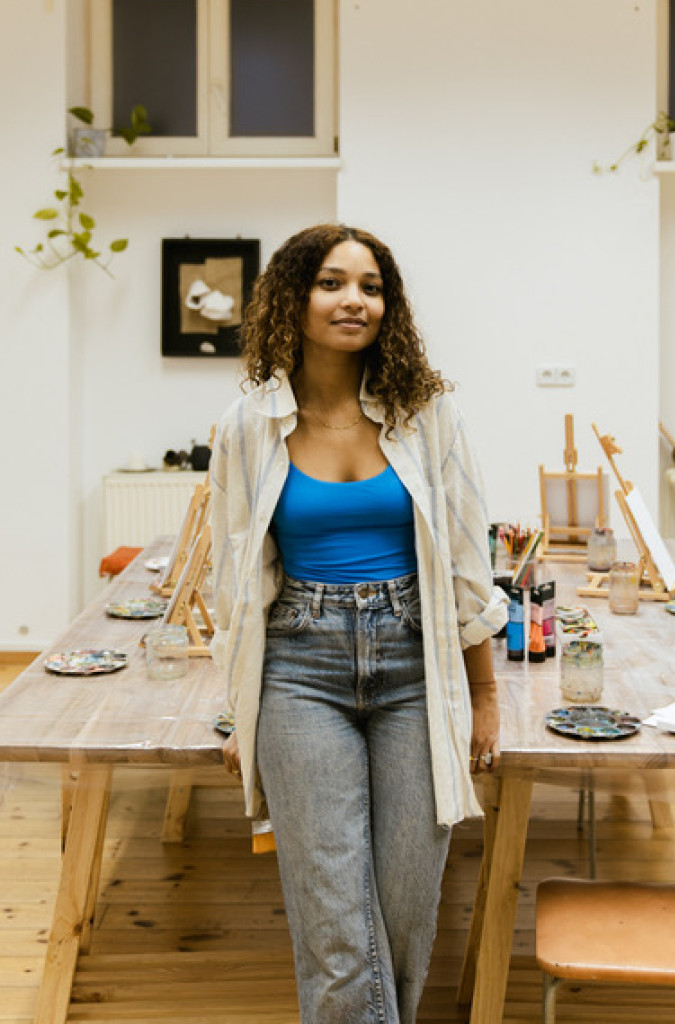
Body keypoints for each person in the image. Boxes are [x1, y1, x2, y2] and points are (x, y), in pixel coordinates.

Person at [210, 223, 508, 1024]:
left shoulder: (426, 413)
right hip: (298, 671)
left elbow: (463, 563)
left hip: (418, 663)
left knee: (406, 916)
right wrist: (239, 710)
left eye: (371, 286)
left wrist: (484, 697)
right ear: (294, 296)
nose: (354, 300)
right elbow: (234, 582)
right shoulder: (248, 424)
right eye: (333, 282)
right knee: (337, 925)